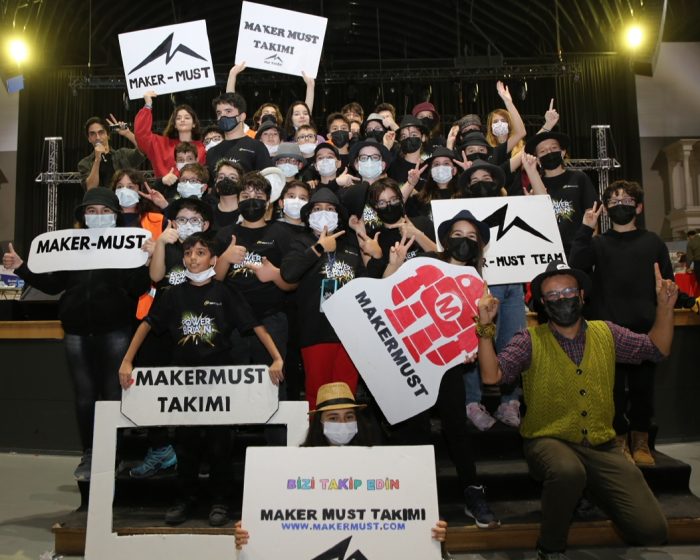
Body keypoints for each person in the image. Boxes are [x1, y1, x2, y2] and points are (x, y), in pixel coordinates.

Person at [477, 260, 676, 558]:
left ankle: (593, 486)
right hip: (547, 441)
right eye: (553, 295)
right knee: (568, 471)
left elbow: (657, 348)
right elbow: (492, 375)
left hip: (602, 446)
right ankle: (550, 547)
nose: (562, 299)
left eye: (569, 291)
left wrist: (665, 307)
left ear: (582, 296)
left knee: (652, 530)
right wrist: (485, 328)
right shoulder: (529, 340)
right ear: (543, 303)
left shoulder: (607, 333)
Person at [119, 232, 284, 526]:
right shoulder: (173, 294)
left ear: (213, 259)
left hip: (220, 380)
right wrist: (127, 360)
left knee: (221, 444)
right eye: (188, 253)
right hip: (183, 381)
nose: (193, 258)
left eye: (200, 253)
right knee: (186, 445)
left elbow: (255, 325)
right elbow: (147, 324)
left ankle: (220, 501)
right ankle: (185, 499)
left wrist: (277, 358)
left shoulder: (226, 293)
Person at [2, 188, 151, 481]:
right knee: (84, 396)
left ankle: (113, 453)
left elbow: (138, 288)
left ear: (116, 216)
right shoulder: (71, 247)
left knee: (113, 394)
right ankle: (90, 453)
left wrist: (145, 262)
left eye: (105, 211)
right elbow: (53, 284)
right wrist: (21, 268)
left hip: (115, 330)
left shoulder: (128, 246)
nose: (98, 216)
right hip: (75, 332)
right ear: (83, 216)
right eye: (91, 211)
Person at [382, 209, 499, 530]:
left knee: (456, 428)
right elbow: (386, 296)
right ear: (446, 239)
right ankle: (413, 497)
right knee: (414, 429)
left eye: (471, 237)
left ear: (479, 246)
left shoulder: (480, 285)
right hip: (410, 359)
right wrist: (394, 265)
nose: (464, 241)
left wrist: (474, 346)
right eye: (458, 235)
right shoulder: (424, 264)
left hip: (447, 365)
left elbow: (480, 331)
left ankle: (473, 492)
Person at [234, 382, 450, 556]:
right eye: (333, 418)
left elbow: (404, 514)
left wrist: (430, 533)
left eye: (349, 417)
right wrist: (254, 530)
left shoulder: (381, 463)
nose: (342, 423)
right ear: (319, 423)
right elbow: (278, 515)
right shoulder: (297, 465)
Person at [569, 180, 674, 465]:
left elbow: (667, 280)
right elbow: (576, 265)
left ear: (638, 207)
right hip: (606, 330)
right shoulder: (597, 243)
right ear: (605, 209)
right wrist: (585, 228)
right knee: (610, 391)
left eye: (626, 201)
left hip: (645, 328)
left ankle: (641, 441)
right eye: (614, 201)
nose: (620, 205)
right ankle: (617, 439)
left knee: (643, 390)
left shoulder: (653, 242)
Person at [454, 161, 526, 430]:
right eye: (474, 180)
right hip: (477, 283)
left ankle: (509, 402)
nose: (481, 183)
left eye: (486, 177)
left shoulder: (515, 207)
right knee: (476, 345)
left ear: (497, 183)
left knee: (513, 341)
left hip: (512, 282)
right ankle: (472, 403)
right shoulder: (459, 212)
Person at [280, 188, 365, 410]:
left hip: (349, 334)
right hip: (315, 331)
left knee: (347, 394)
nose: (323, 213)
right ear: (309, 216)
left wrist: (374, 257)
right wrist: (318, 248)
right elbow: (288, 274)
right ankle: (316, 432)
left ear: (338, 216)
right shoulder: (301, 243)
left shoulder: (351, 247)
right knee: (316, 394)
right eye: (317, 209)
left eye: (329, 209)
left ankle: (345, 431)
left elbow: (364, 286)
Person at [215, 172, 296, 397]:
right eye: (245, 196)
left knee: (274, 387)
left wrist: (275, 275)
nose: (252, 201)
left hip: (271, 320)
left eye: (258, 196)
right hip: (232, 323)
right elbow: (213, 282)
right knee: (231, 390)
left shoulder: (282, 233)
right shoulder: (225, 235)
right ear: (238, 200)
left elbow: (291, 284)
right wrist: (225, 259)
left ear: (268, 201)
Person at [524, 131, 598, 257]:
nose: (549, 152)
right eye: (542, 151)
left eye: (553, 148)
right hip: (548, 251)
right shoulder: (535, 185)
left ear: (562, 152)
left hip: (578, 248)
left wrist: (590, 248)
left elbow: (591, 213)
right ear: (537, 159)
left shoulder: (579, 178)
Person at [134, 92, 205, 178]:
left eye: (187, 117)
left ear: (194, 124)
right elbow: (142, 135)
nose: (182, 120)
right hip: (163, 186)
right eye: (178, 118)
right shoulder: (161, 144)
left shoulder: (203, 147)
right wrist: (148, 105)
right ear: (174, 124)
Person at [205, 92, 273, 177]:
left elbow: (267, 181)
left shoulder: (257, 147)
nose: (222, 116)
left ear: (242, 116)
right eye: (219, 113)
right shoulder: (212, 152)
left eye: (228, 111)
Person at [78, 115, 145, 190]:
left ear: (108, 135)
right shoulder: (84, 163)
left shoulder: (122, 155)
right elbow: (90, 188)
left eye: (101, 132)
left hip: (122, 197)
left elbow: (143, 150)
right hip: (100, 197)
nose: (97, 137)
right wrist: (97, 159)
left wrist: (128, 134)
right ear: (89, 139)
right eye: (93, 134)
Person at [209, 160, 244, 229]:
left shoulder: (246, 213)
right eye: (221, 177)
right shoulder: (208, 213)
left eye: (232, 177)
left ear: (241, 184)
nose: (226, 180)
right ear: (215, 184)